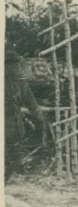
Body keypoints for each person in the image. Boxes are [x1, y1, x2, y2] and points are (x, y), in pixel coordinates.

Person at [5, 51, 51, 183]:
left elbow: (32, 104)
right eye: (13, 65)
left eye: (17, 65)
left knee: (17, 161)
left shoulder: (20, 85)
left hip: (15, 129)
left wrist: (41, 121)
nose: (17, 68)